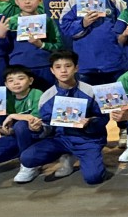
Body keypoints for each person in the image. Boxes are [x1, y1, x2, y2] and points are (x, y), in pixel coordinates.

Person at [16, 50, 111, 185]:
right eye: (58, 67)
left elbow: (103, 118)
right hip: (61, 139)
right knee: (27, 158)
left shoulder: (91, 91)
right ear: (52, 70)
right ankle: (66, 155)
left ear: (76, 68)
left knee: (94, 178)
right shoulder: (46, 96)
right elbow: (47, 126)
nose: (63, 71)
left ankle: (87, 157)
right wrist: (37, 129)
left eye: (68, 66)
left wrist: (90, 122)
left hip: (87, 140)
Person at [60, 0, 127, 86]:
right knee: (87, 98)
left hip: (113, 64)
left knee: (114, 99)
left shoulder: (115, 1)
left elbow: (125, 27)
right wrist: (83, 23)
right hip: (85, 65)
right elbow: (65, 28)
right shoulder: (73, 2)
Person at [0, 0, 61, 90]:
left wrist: (41, 45)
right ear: (16, 1)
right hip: (19, 70)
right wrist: (0, 36)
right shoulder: (10, 22)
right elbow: (4, 49)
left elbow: (58, 45)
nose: (27, 2)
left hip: (44, 66)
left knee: (46, 97)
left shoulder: (47, 21)